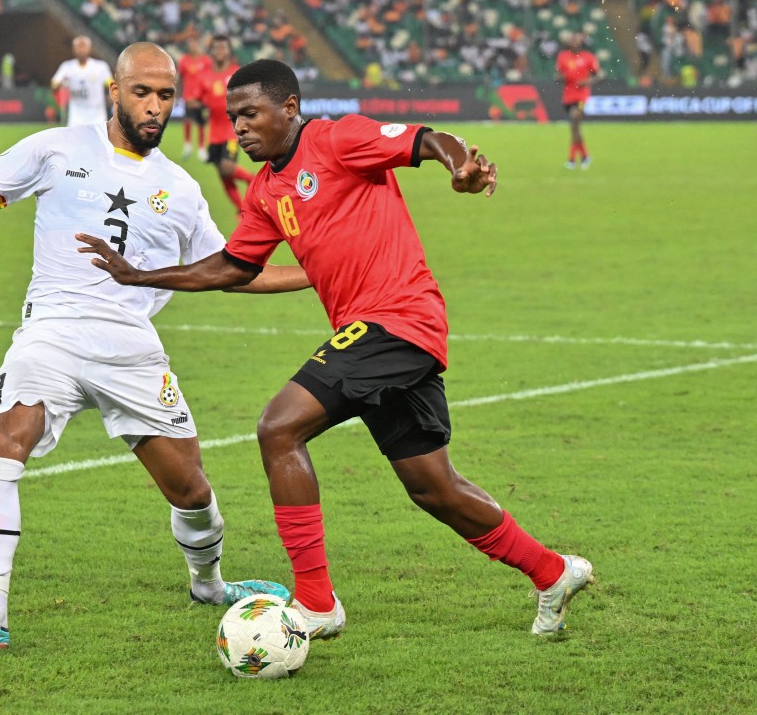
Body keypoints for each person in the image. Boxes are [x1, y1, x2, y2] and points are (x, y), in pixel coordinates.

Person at [78, 58, 594, 639]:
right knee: (434, 488)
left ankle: (318, 603)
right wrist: (141, 276)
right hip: (379, 336)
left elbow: (426, 140)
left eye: (250, 114)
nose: (239, 128)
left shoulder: (337, 138)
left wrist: (460, 167)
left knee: (278, 428)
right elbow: (233, 266)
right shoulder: (267, 191)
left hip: (397, 318)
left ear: (289, 108)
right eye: (233, 118)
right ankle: (553, 572)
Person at [0, 43, 309, 649]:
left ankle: (209, 584)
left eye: (165, 96)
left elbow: (233, 268)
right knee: (5, 441)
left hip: (132, 349)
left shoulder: (181, 188)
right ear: (114, 93)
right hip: (51, 334)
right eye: (142, 93)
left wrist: (317, 272)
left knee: (191, 490)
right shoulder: (55, 148)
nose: (154, 107)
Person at [199, 34, 255, 213]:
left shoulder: (236, 73)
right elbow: (200, 100)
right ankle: (241, 209)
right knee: (223, 173)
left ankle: (252, 179)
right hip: (214, 132)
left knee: (227, 167)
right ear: (211, 51)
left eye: (223, 47)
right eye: (216, 47)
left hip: (232, 129)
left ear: (229, 51)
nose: (220, 51)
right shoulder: (205, 76)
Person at [555, 32, 602, 170]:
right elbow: (557, 75)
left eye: (577, 39)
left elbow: (598, 75)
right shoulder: (563, 56)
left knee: (575, 121)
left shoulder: (588, 57)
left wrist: (588, 81)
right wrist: (562, 77)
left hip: (581, 96)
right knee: (575, 127)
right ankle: (585, 156)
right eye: (572, 39)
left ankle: (571, 159)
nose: (575, 42)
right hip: (568, 96)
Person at [50, 34, 113, 127]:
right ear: (73, 49)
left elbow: (111, 84)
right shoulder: (67, 67)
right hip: (76, 115)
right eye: (78, 47)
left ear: (90, 49)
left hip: (97, 114)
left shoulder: (100, 67)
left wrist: (111, 96)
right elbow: (54, 84)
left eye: (83, 47)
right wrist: (60, 84)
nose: (81, 50)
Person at [176, 34, 211, 161]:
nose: (192, 46)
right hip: (188, 97)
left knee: (201, 123)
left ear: (198, 44)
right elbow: (179, 79)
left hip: (201, 98)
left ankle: (201, 149)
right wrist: (178, 96)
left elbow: (210, 77)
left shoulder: (206, 61)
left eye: (194, 43)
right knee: (187, 121)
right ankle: (187, 146)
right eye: (189, 43)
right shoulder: (184, 60)